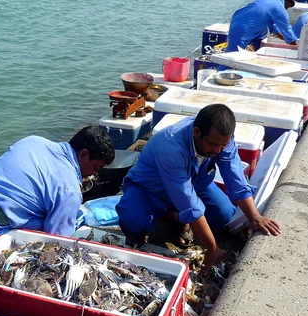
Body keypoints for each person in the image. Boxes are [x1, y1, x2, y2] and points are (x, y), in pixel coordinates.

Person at [0, 126, 115, 291]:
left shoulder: (34, 141)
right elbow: (55, 241)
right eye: (95, 168)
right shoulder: (70, 189)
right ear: (83, 154)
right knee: (40, 240)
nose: (92, 175)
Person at [115, 104, 281, 274]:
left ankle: (178, 218)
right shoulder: (171, 147)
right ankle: (171, 217)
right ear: (196, 133)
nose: (217, 150)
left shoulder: (222, 140)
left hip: (194, 182)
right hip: (149, 189)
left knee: (224, 216)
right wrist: (212, 247)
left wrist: (255, 217)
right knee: (132, 219)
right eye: (213, 144)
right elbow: (189, 204)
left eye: (222, 146)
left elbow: (236, 180)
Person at [226, 0, 298, 52]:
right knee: (232, 55)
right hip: (241, 26)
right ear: (288, 1)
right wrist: (295, 47)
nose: (288, 8)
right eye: (290, 4)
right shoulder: (279, 7)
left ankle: (254, 53)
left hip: (241, 18)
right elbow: (287, 29)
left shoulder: (272, 3)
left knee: (262, 34)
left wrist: (285, 39)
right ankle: (222, 71)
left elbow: (274, 28)